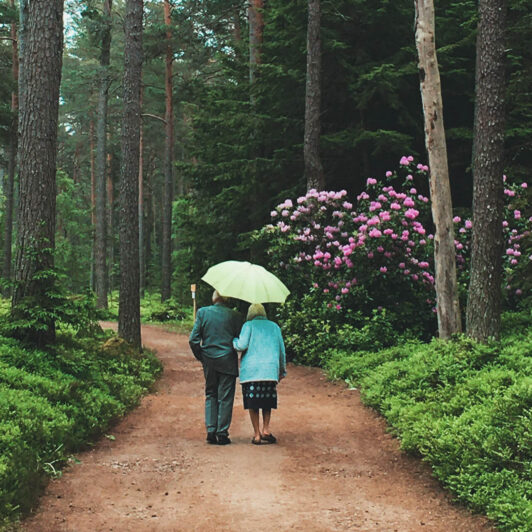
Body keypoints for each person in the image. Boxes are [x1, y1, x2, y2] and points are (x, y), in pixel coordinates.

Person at [189, 290, 243, 445]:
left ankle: (211, 429)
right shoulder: (235, 316)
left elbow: (193, 339)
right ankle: (222, 433)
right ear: (227, 298)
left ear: (214, 298)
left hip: (209, 360)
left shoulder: (203, 313)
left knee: (211, 393)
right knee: (225, 397)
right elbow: (240, 340)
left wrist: (202, 356)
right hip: (227, 360)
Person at [233, 303, 286, 445]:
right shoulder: (274, 327)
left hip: (252, 371)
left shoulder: (248, 326)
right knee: (267, 400)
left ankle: (256, 434)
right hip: (269, 370)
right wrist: (282, 370)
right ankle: (266, 429)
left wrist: (234, 340)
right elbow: (281, 350)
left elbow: (241, 345)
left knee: (253, 402)